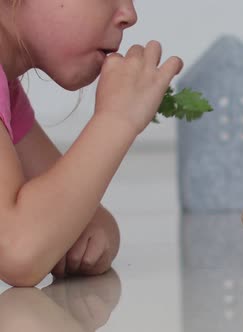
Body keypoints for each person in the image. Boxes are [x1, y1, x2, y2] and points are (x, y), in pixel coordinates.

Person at [0, 0, 183, 287]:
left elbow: (90, 227)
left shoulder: (6, 92)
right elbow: (18, 249)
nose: (130, 15)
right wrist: (116, 119)